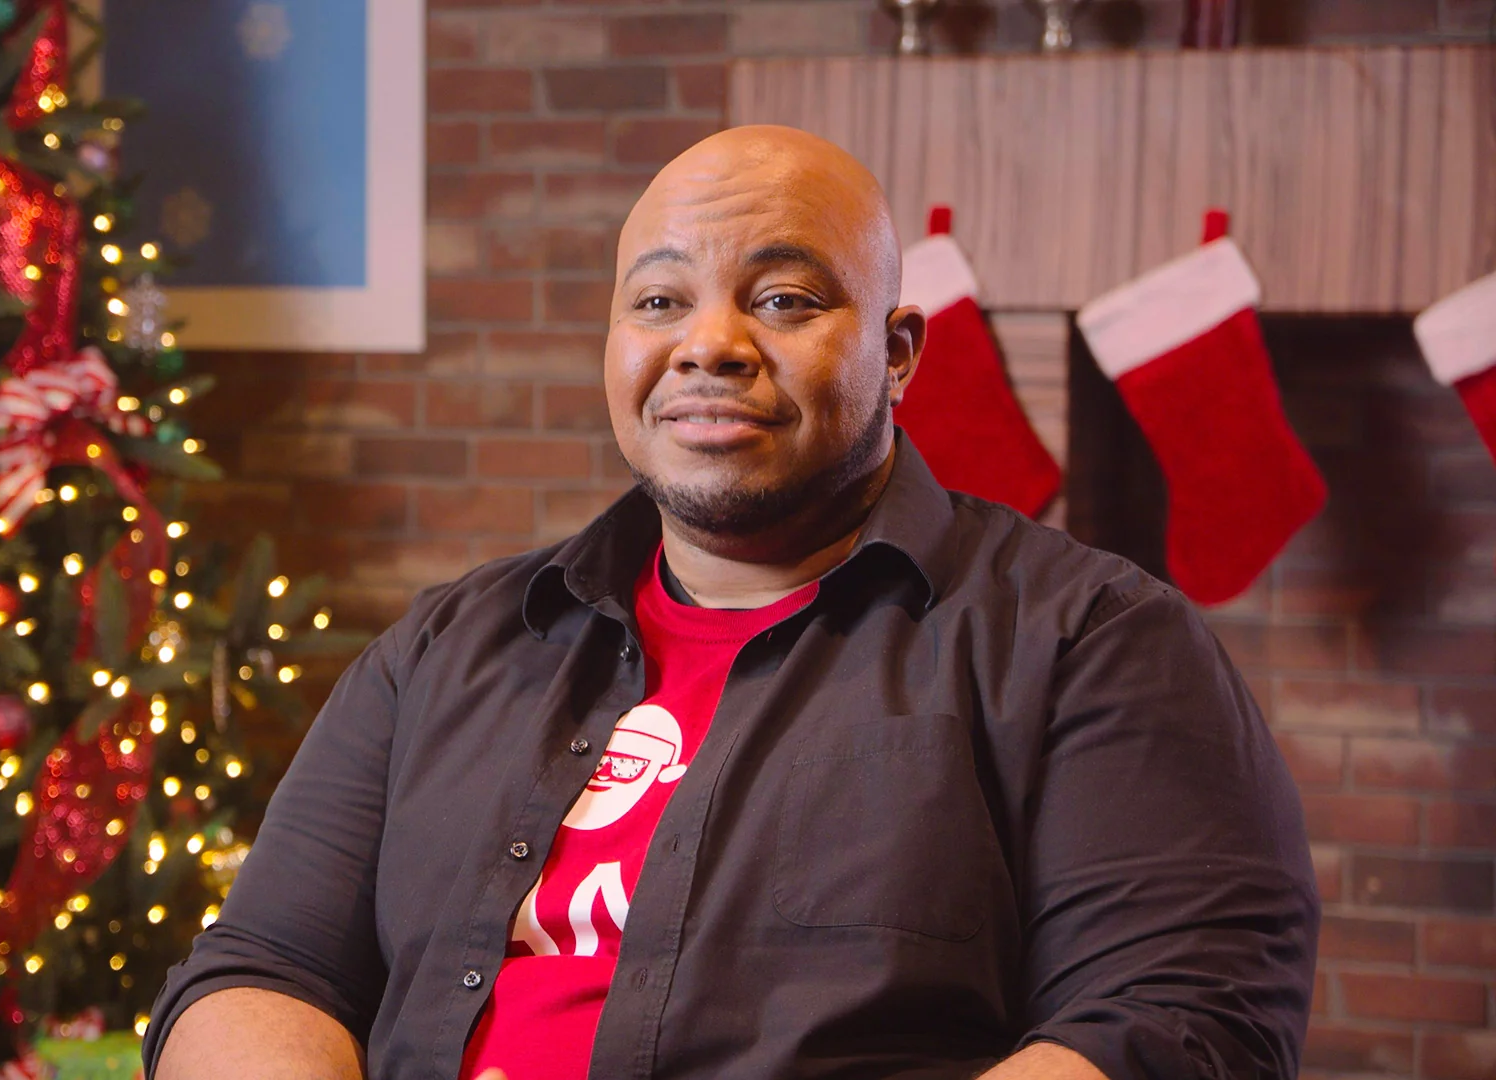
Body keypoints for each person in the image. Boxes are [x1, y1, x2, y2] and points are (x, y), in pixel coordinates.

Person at [142, 125, 1318, 1080]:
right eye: (658, 304)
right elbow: (262, 969)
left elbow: (1177, 1026)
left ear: (899, 352)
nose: (710, 344)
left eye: (787, 300)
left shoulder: (1092, 645)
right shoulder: (446, 648)